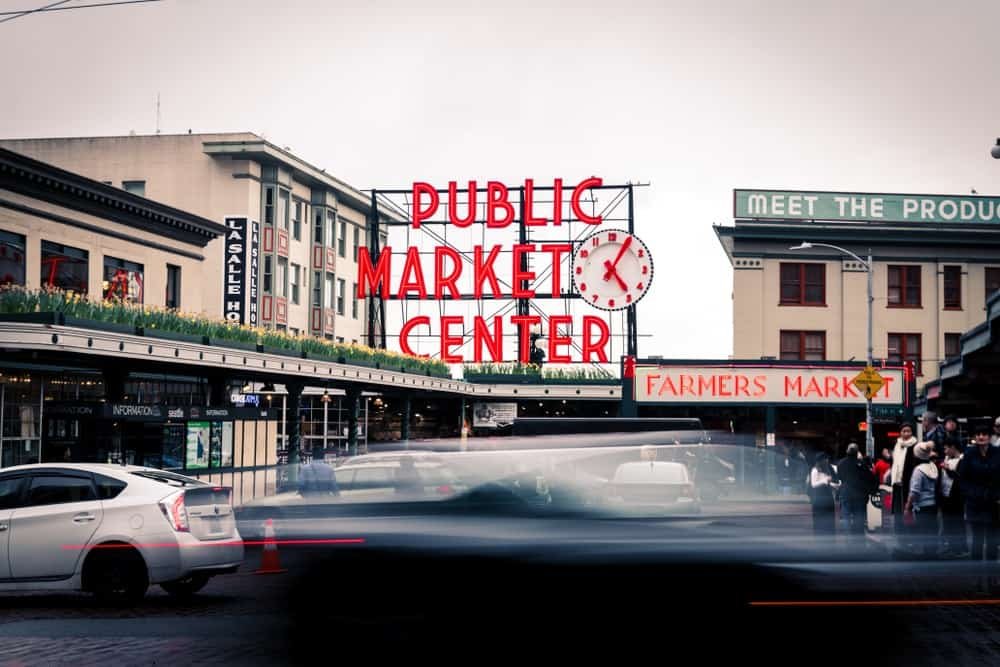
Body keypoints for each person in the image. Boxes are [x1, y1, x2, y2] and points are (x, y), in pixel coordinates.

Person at [958, 426, 1000, 563]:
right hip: (975, 500)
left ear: (989, 436)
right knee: (977, 538)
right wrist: (970, 493)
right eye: (978, 434)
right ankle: (976, 573)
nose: (981, 437)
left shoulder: (997, 452)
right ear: (975, 437)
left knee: (993, 538)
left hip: (994, 500)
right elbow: (962, 478)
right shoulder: (969, 453)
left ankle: (992, 572)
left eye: (984, 434)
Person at [905, 442, 940, 559]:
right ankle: (932, 553)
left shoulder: (918, 471)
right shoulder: (933, 467)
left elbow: (914, 491)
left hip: (922, 506)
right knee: (932, 531)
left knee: (924, 531)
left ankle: (926, 555)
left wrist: (908, 506)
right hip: (933, 504)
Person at [837, 443, 876, 543]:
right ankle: (858, 536)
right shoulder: (861, 464)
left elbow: (840, 477)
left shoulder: (841, 463)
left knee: (846, 515)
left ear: (847, 451)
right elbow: (869, 477)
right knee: (859, 516)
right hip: (859, 494)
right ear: (857, 452)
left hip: (846, 492)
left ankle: (848, 535)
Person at [939, 437, 967, 557]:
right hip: (945, 495)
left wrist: (948, 470)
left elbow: (960, 477)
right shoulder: (946, 458)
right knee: (948, 523)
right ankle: (951, 546)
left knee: (957, 523)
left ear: (953, 447)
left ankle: (960, 548)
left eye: (946, 448)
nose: (944, 451)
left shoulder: (963, 460)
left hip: (956, 496)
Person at [891, 423, 918, 521]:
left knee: (908, 508)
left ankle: (908, 531)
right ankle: (898, 530)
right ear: (900, 433)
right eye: (904, 431)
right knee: (898, 508)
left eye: (908, 431)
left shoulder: (915, 445)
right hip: (897, 481)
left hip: (908, 481)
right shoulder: (897, 444)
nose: (906, 433)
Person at [809, 454, 840, 536]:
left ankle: (829, 532)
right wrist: (824, 481)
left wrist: (834, 485)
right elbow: (813, 484)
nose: (827, 461)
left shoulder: (827, 469)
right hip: (819, 497)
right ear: (821, 461)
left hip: (828, 496)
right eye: (825, 459)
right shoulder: (815, 470)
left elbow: (827, 483)